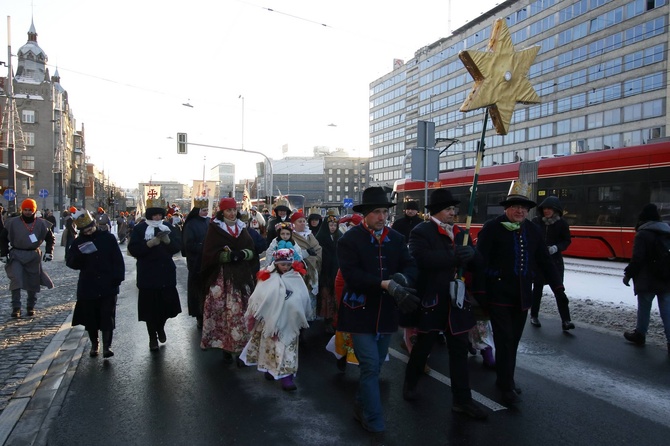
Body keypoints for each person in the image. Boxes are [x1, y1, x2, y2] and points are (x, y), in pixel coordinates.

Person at [475, 180, 568, 405]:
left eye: (524, 207)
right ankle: (506, 385)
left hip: (522, 297)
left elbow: (545, 262)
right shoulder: (492, 228)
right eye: (515, 206)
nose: (520, 211)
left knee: (513, 341)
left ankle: (506, 378)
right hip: (498, 296)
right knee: (504, 340)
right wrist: (480, 292)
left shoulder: (533, 230)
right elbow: (479, 261)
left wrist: (558, 289)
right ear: (506, 207)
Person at [336, 186, 419, 434]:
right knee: (370, 365)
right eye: (377, 212)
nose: (382, 217)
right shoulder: (349, 240)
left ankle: (361, 405)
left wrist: (404, 278)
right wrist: (384, 284)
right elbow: (352, 276)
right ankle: (374, 420)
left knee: (376, 367)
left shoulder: (397, 238)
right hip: (359, 311)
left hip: (386, 313)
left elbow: (410, 265)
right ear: (365, 214)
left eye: (384, 212)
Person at [402, 188, 487, 419]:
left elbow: (476, 260)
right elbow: (422, 259)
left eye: (454, 209)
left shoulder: (461, 233)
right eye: (449, 209)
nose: (453, 212)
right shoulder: (421, 231)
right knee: (424, 346)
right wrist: (454, 256)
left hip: (456, 301)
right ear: (438, 211)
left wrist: (472, 254)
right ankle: (410, 383)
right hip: (433, 299)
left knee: (459, 350)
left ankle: (462, 401)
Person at [240, 247, 311, 390]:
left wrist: (298, 309)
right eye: (282, 264)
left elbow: (303, 296)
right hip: (270, 322)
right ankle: (270, 370)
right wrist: (259, 313)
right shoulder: (268, 277)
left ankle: (287, 378)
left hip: (289, 321)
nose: (285, 267)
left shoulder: (295, 277)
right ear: (276, 263)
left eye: (288, 264)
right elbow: (259, 296)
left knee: (288, 349)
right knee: (270, 348)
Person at [200, 197, 259, 364]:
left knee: (242, 313)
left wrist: (242, 254)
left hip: (242, 276)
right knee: (223, 312)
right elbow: (209, 253)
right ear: (222, 212)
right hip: (222, 277)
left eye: (234, 210)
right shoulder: (215, 229)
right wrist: (226, 256)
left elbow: (252, 250)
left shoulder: (242, 228)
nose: (232, 213)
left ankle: (242, 350)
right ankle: (225, 346)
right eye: (228, 210)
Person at [67, 209, 125, 358]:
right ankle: (95, 344)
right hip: (88, 285)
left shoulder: (108, 238)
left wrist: (117, 278)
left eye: (90, 228)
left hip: (108, 284)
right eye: (84, 231)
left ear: (94, 224)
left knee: (107, 315)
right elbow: (71, 262)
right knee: (91, 317)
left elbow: (118, 260)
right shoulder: (78, 242)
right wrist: (81, 255)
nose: (88, 232)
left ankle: (107, 346)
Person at [127, 199, 182, 351]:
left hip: (166, 274)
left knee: (166, 307)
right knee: (150, 309)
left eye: (159, 215)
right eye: (155, 215)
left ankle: (160, 327)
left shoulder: (168, 226)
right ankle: (152, 337)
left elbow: (177, 247)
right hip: (148, 274)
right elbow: (133, 249)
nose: (157, 218)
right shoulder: (140, 228)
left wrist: (168, 241)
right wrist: (148, 244)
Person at [622, 203, 670, 355]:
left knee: (644, 308)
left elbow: (637, 259)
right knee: (667, 310)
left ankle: (640, 334)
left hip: (647, 278)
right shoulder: (666, 232)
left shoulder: (642, 234)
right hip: (665, 277)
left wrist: (628, 274)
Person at [0, 198, 55, 318]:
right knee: (16, 280)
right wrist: (3, 253)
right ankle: (16, 308)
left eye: (30, 209)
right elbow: (3, 238)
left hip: (33, 255)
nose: (27, 212)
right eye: (25, 209)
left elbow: (50, 238)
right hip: (16, 254)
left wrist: (49, 252)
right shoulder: (12, 222)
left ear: (34, 210)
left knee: (33, 281)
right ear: (22, 210)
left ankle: (31, 306)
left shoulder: (42, 223)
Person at [530, 196, 574, 329]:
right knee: (537, 290)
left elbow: (566, 241)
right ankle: (534, 316)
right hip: (539, 262)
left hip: (555, 262)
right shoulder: (536, 222)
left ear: (556, 210)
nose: (546, 211)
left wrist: (556, 248)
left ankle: (566, 320)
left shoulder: (562, 224)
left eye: (549, 208)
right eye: (544, 208)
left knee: (559, 291)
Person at [182, 199, 210, 329]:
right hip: (196, 263)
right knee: (198, 291)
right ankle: (199, 315)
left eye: (206, 210)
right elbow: (189, 244)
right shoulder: (191, 225)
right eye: (204, 210)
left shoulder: (209, 222)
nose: (206, 212)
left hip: (209, 261)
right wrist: (203, 247)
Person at [290, 211, 322, 320]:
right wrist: (306, 257)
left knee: (311, 298)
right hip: (298, 273)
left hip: (312, 272)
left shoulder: (310, 235)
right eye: (300, 221)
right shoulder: (290, 236)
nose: (303, 223)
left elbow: (318, 249)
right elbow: (293, 253)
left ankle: (310, 322)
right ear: (293, 223)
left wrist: (312, 259)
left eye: (304, 221)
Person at [315, 210, 340, 334]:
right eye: (331, 225)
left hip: (337, 270)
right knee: (326, 297)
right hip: (325, 271)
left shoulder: (340, 237)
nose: (333, 227)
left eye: (335, 225)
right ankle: (327, 320)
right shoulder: (320, 237)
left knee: (335, 297)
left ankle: (334, 319)